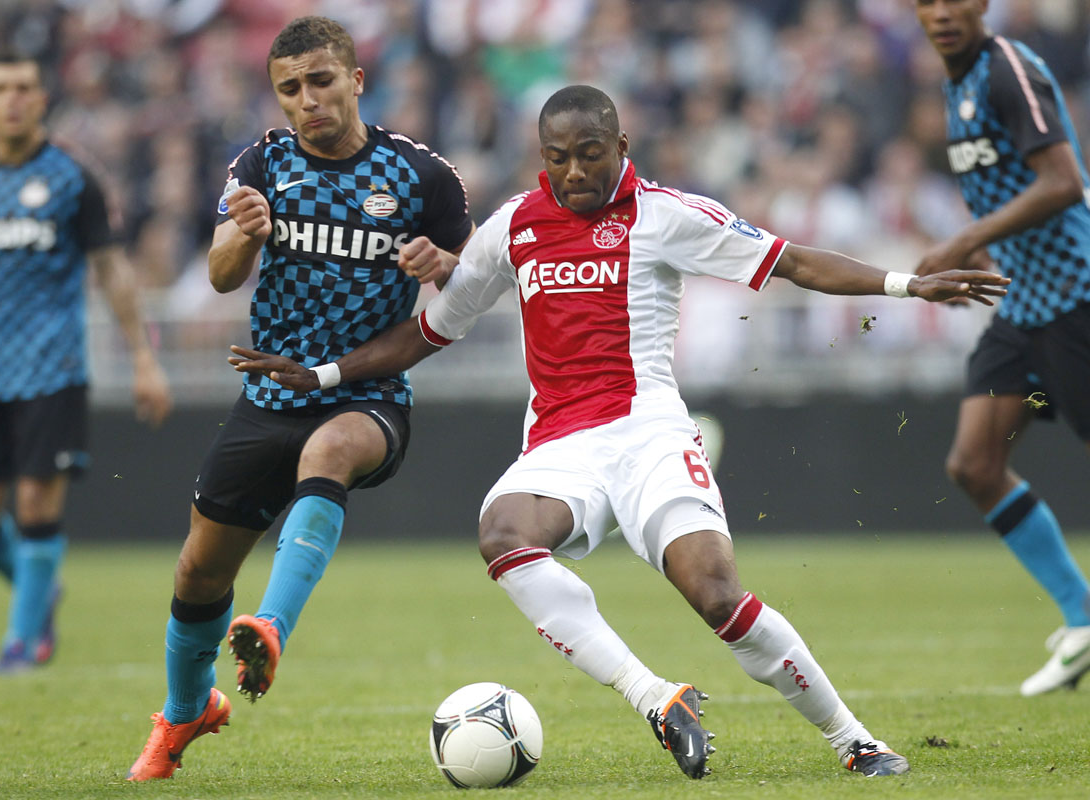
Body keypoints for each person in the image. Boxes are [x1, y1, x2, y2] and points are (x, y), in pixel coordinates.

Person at [230, 85, 1008, 779]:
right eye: (557, 158)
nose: (573, 172)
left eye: (590, 154)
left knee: (716, 597)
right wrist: (325, 377)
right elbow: (431, 331)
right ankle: (656, 697)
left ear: (621, 147)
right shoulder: (513, 227)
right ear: (541, 156)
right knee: (503, 532)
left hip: (649, 436)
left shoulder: (667, 216)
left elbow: (794, 263)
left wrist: (908, 283)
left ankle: (853, 739)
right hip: (561, 447)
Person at [125, 16, 473, 782]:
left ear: (355, 80)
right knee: (197, 575)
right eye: (290, 87)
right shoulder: (260, 162)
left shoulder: (423, 176)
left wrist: (446, 264)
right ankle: (185, 712)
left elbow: (472, 284)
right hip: (270, 393)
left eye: (320, 80)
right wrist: (242, 236)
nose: (307, 99)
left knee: (332, 450)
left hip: (368, 393)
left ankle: (272, 628)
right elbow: (221, 275)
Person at [0, 49, 172, 673]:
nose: (13, 99)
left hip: (52, 368)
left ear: (42, 99)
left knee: (37, 506)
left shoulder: (74, 179)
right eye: (1, 89)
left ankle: (21, 644)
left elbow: (111, 270)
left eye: (24, 87)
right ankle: (39, 585)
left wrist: (143, 358)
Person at [913, 0, 1090, 696]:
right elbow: (1009, 188)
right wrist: (983, 256)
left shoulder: (1008, 69)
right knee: (975, 463)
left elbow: (1064, 182)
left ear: (982, 4)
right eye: (926, 1)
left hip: (1076, 294)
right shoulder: (956, 83)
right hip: (1021, 303)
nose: (942, 12)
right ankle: (1083, 616)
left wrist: (960, 241)